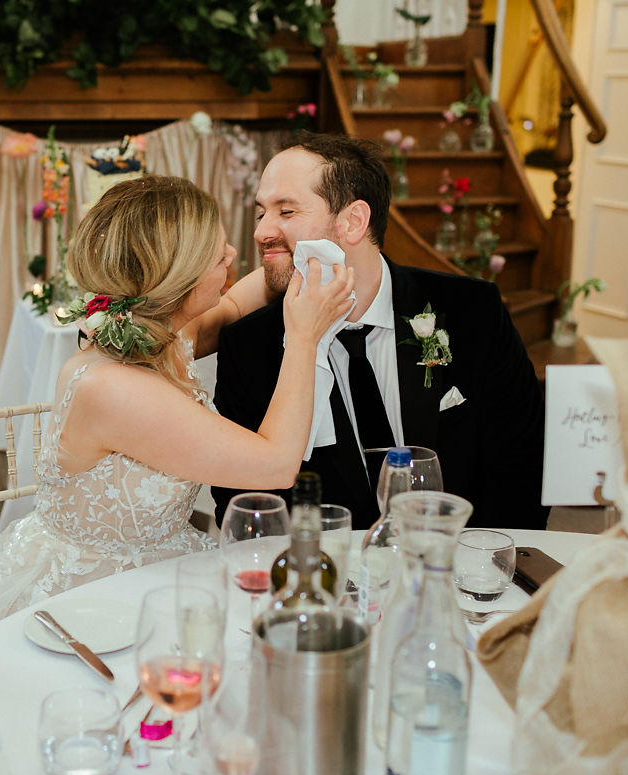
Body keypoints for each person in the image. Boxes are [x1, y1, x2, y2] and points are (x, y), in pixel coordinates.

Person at [0, 175, 354, 658]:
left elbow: (240, 300)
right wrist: (304, 337)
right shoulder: (114, 386)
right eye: (212, 249)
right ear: (173, 274)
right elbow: (277, 464)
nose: (229, 252)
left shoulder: (161, 332)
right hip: (91, 603)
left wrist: (303, 256)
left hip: (161, 563)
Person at [213, 133, 547, 530]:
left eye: (285, 212)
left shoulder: (472, 312)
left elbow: (523, 469)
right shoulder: (249, 348)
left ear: (352, 222)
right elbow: (244, 510)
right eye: (261, 213)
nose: (261, 231)